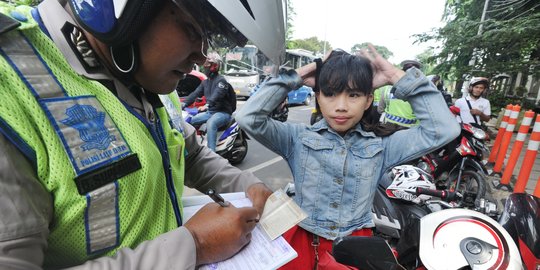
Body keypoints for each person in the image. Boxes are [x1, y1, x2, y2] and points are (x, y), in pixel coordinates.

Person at [0, 0, 286, 268]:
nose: (200, 56)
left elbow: (192, 154)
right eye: (191, 30)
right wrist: (195, 245)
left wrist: (249, 185)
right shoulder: (11, 87)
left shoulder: (149, 81)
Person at [236, 45, 460, 269]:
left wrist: (395, 76)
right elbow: (248, 117)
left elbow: (443, 129)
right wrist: (299, 75)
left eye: (353, 95)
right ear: (318, 97)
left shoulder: (382, 146)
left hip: (353, 248)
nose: (341, 106)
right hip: (301, 241)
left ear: (369, 100)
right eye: (330, 94)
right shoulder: (297, 138)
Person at [183, 52, 236, 151]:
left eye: (207, 65)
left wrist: (207, 104)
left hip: (223, 113)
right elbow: (195, 94)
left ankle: (212, 153)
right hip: (210, 112)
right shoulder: (205, 82)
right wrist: (184, 103)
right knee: (188, 121)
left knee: (211, 123)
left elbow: (218, 94)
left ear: (214, 66)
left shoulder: (221, 81)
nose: (205, 67)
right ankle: (193, 149)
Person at [375, 59, 422, 128]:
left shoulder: (387, 89)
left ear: (402, 71)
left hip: (388, 130)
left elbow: (380, 110)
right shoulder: (421, 91)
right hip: (411, 132)